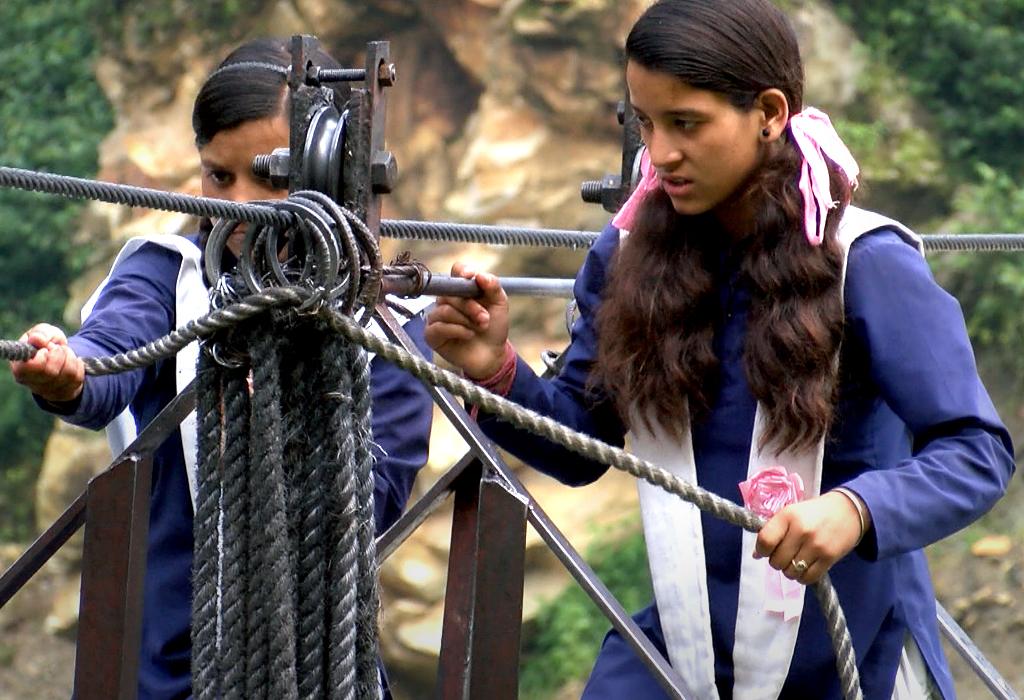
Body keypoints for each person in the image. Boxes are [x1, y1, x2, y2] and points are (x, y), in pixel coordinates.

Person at [425, 1, 1014, 698]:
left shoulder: (867, 262)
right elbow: (581, 447)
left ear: (769, 112)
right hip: (679, 644)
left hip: (850, 651)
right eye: (646, 122)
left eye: (686, 124)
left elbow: (977, 451)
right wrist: (496, 368)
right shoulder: (625, 259)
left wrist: (855, 509)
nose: (660, 153)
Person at [10, 37, 434, 699]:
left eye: (271, 176)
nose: (241, 207)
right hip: (166, 669)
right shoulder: (165, 273)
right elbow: (113, 353)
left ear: (332, 167)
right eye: (219, 177)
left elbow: (373, 502)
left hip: (315, 673)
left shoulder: (388, 320)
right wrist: (69, 371)